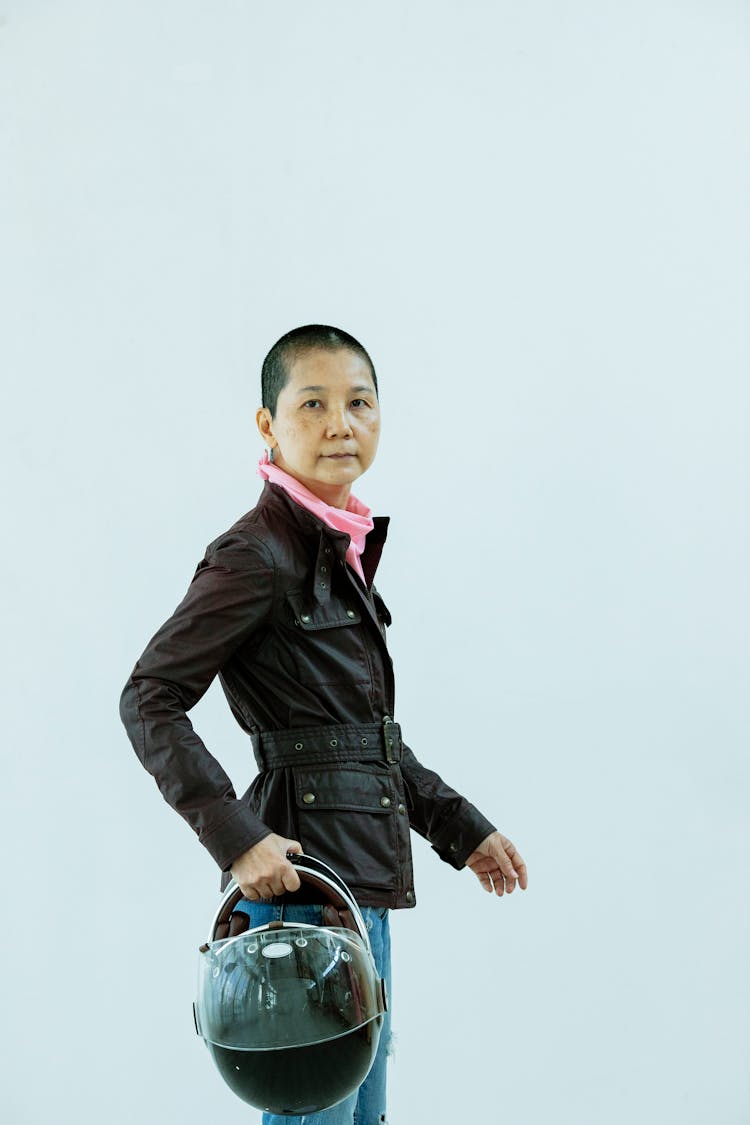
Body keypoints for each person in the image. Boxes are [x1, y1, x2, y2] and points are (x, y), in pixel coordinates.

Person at [119, 324, 528, 1125]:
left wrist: (460, 829)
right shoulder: (256, 554)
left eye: (359, 402)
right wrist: (237, 838)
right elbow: (148, 695)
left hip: (357, 889)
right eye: (314, 403)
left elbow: (364, 737)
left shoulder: (332, 550)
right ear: (269, 424)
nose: (341, 422)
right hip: (299, 894)